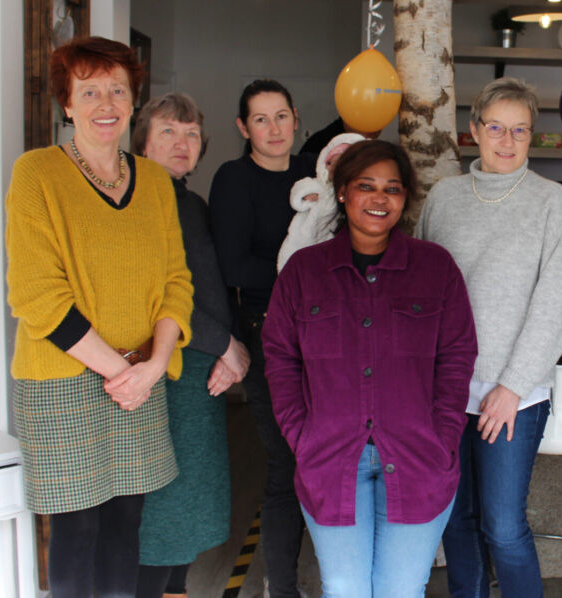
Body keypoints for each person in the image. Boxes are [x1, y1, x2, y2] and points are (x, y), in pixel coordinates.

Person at [5, 36, 192, 595]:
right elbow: (36, 295)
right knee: (77, 528)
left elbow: (176, 283)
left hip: (141, 377)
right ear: (67, 104)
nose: (105, 104)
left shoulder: (155, 181)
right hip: (63, 380)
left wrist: (153, 366)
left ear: (134, 100)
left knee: (126, 522)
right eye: (89, 92)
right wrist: (123, 371)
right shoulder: (36, 173)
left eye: (117, 90)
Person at [262, 139, 478, 597]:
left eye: (392, 188)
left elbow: (457, 356)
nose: (380, 198)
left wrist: (443, 435)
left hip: (419, 458)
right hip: (329, 459)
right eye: (366, 186)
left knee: (401, 590)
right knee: (345, 589)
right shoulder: (303, 271)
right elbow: (280, 357)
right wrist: (301, 434)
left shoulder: (435, 268)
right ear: (342, 191)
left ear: (404, 198)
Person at [416, 77, 562, 598]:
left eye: (520, 130)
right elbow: (419, 293)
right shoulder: (443, 198)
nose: (507, 141)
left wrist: (511, 386)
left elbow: (557, 303)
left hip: (516, 394)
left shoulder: (551, 201)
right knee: (456, 519)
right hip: (446, 390)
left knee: (504, 526)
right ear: (474, 130)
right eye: (495, 128)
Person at [130, 92, 251, 598]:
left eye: (192, 134)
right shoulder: (137, 201)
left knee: (188, 507)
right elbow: (155, 295)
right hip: (166, 372)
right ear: (142, 142)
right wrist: (226, 345)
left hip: (199, 370)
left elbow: (211, 287)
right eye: (168, 131)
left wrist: (229, 350)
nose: (182, 143)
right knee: (164, 510)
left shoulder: (190, 202)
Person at [208, 79, 316, 598]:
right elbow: (233, 265)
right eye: (260, 119)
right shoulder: (234, 179)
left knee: (324, 455)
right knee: (286, 461)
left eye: (281, 116)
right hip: (267, 329)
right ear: (243, 127)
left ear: (296, 118)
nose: (273, 129)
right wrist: (304, 277)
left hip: (323, 331)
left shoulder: (315, 173)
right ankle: (283, 586)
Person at [277, 132, 365, 271]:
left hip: (329, 237)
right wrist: (306, 197)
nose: (332, 167)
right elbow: (298, 191)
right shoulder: (319, 185)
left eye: (339, 163)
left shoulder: (356, 195)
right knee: (295, 257)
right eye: (329, 163)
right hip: (306, 231)